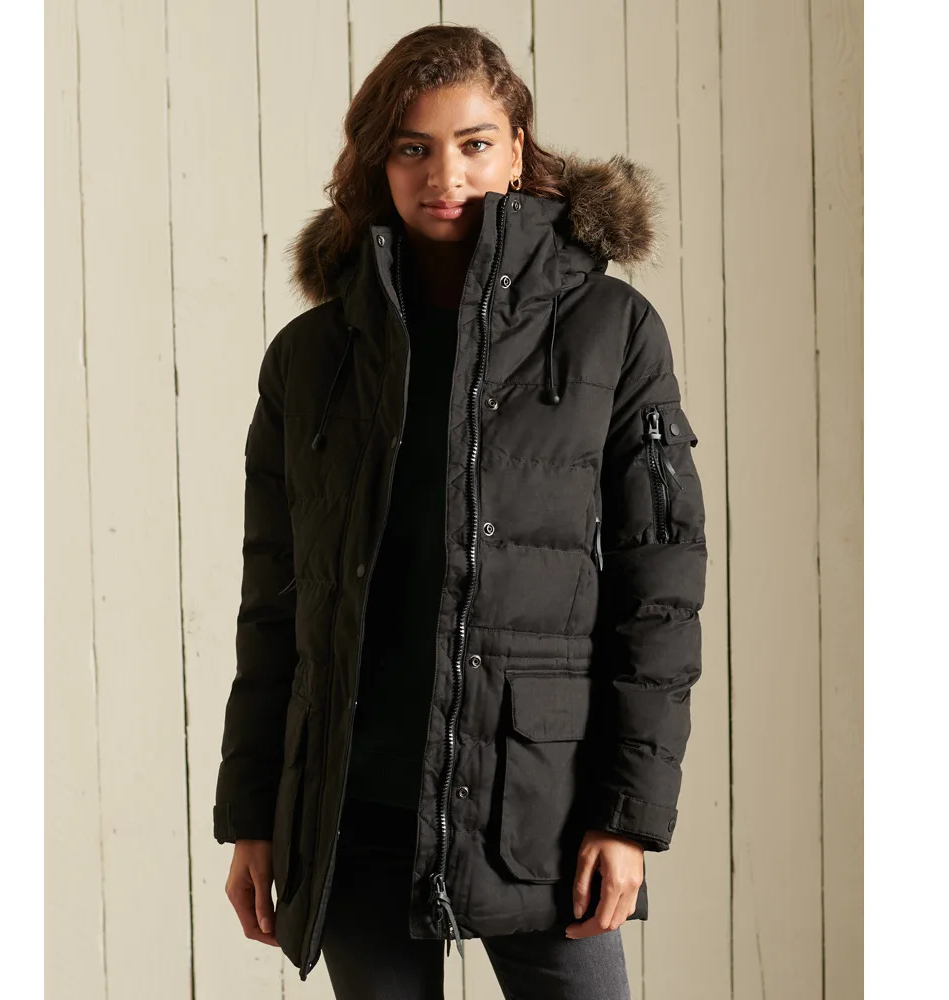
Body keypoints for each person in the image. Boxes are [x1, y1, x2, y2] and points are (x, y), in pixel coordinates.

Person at [213, 23, 707, 1000]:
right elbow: (275, 603)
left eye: (474, 143)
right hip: (353, 806)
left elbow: (660, 589)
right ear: (378, 162)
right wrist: (255, 815)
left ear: (516, 148)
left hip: (539, 806)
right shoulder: (309, 359)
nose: (446, 175)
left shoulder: (611, 332)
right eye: (414, 147)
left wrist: (627, 816)